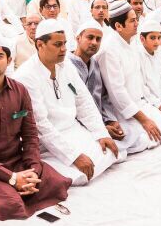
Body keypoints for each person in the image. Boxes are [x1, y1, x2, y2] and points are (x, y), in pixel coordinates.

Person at [0, 35, 71, 220]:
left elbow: (31, 135)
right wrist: (12, 178)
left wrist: (32, 170)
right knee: (11, 204)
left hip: (16, 160)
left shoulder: (20, 90)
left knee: (57, 183)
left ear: (9, 60)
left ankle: (22, 185)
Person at [14, 19, 119, 186]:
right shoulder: (26, 76)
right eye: (57, 44)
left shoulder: (66, 66)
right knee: (80, 174)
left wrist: (101, 133)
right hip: (48, 142)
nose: (64, 49)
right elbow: (40, 125)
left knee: (112, 152)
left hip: (73, 130)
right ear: (40, 44)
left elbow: (84, 102)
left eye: (64, 43)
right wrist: (74, 156)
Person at [96, 2, 161, 148]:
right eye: (132, 20)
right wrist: (144, 120)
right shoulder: (109, 50)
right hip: (120, 111)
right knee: (144, 141)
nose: (137, 23)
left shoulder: (132, 43)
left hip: (139, 104)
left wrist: (156, 104)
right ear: (118, 26)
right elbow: (117, 92)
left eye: (136, 19)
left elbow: (139, 82)